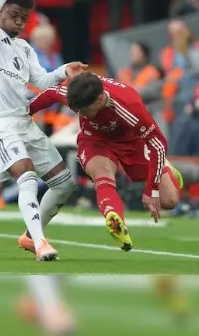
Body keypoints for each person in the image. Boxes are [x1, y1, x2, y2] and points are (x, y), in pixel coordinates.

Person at [0, 0, 86, 262]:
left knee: (64, 184)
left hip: (23, 122)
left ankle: (30, 235)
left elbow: (42, 80)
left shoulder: (24, 49)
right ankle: (41, 244)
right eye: (14, 15)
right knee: (26, 176)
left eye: (24, 18)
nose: (20, 22)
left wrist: (63, 70)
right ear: (1, 11)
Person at [29, 72, 184, 252]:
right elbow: (50, 93)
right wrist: (24, 112)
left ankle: (166, 169)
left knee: (169, 200)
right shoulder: (77, 94)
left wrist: (152, 190)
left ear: (100, 99)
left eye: (85, 111)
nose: (81, 114)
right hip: (95, 139)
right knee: (102, 173)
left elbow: (158, 144)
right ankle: (115, 218)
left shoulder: (129, 108)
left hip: (131, 142)